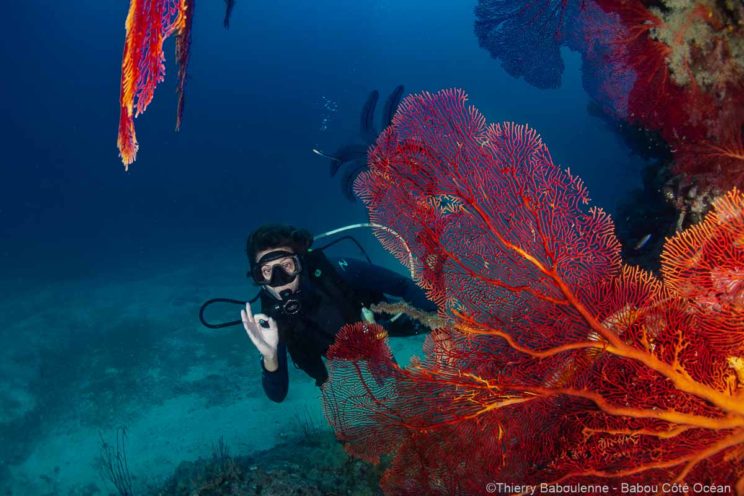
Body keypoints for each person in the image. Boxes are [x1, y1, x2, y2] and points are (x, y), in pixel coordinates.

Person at [240, 224, 437, 402]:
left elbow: (402, 285)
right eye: (267, 271)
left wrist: (430, 314)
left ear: (300, 263)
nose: (280, 279)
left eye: (287, 266)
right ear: (257, 277)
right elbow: (277, 394)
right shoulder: (272, 319)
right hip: (335, 351)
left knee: (440, 320)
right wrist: (270, 356)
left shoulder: (334, 271)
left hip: (378, 323)